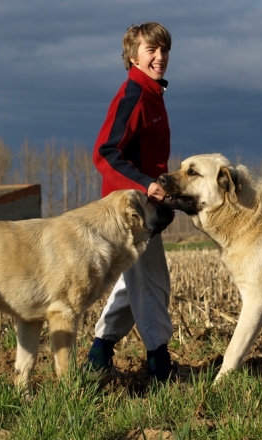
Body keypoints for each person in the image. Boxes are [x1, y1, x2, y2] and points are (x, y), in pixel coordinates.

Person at [87, 22, 178, 381]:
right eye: (151, 50)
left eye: (164, 50)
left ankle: (98, 355)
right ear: (132, 55)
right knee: (152, 282)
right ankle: (159, 365)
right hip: (130, 209)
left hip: (146, 205)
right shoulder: (134, 95)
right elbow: (105, 152)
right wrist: (146, 186)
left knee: (134, 281)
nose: (160, 57)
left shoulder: (153, 94)